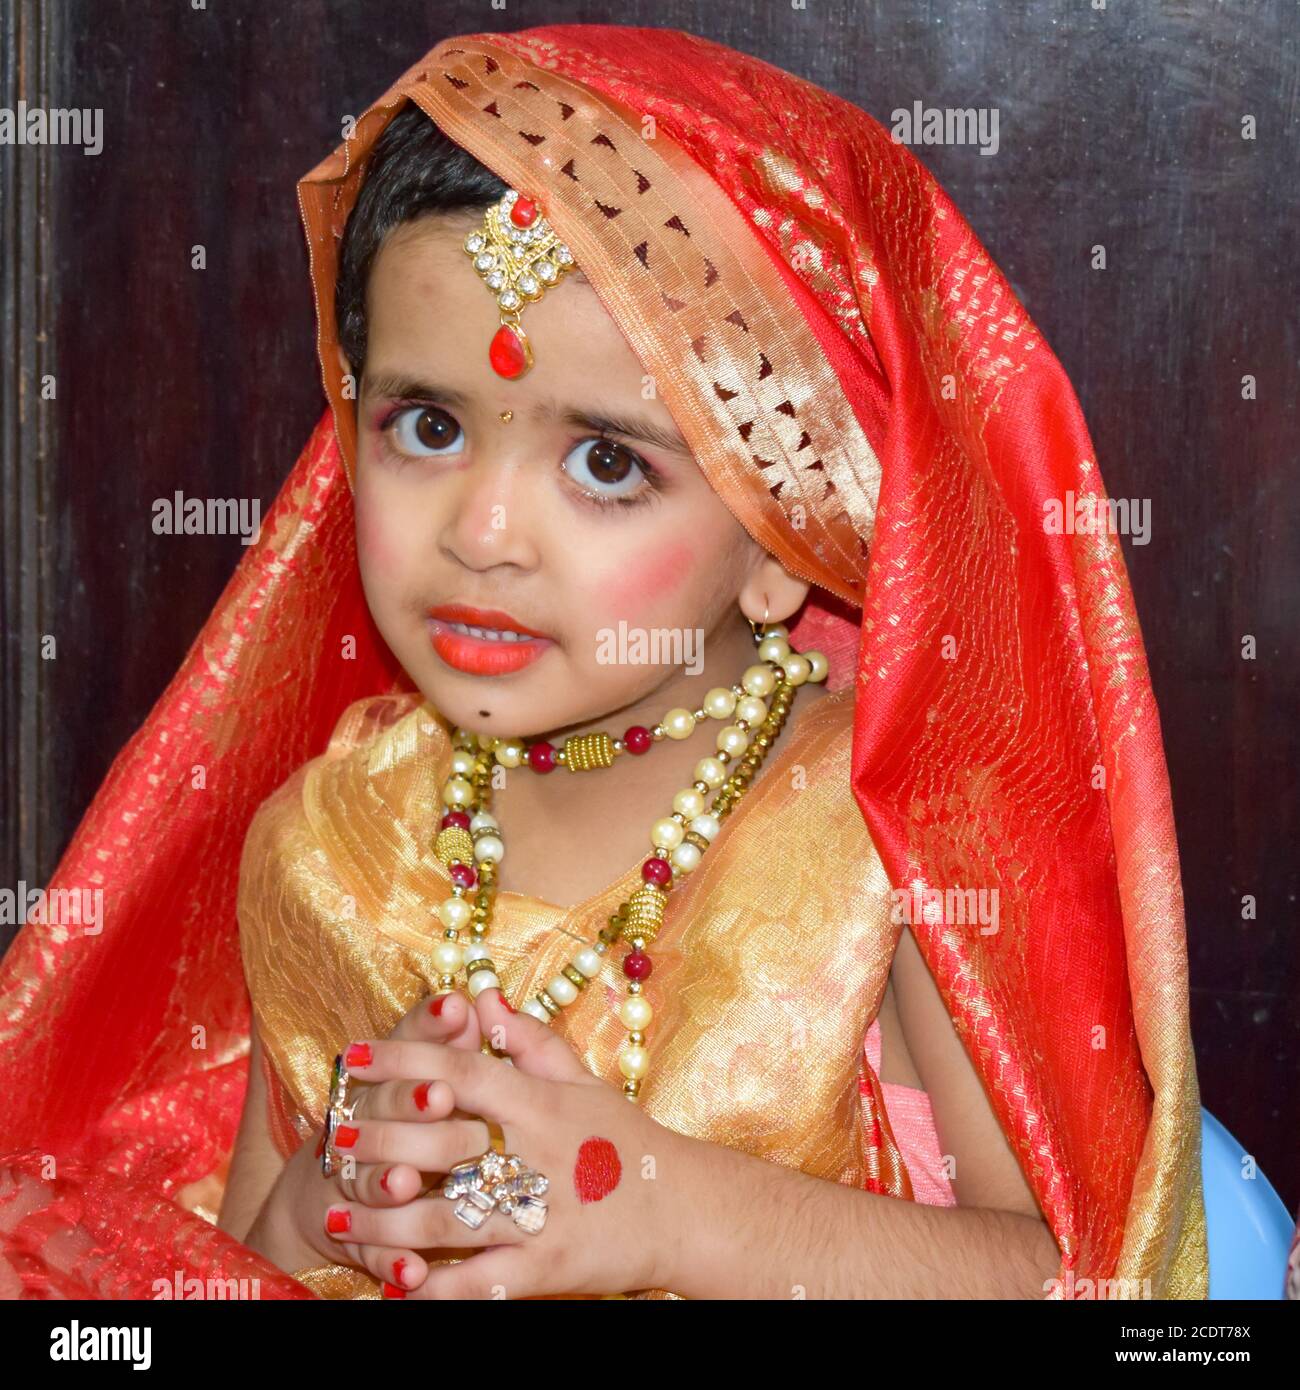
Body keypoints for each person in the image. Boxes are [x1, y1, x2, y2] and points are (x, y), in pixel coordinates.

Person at [0, 23, 1207, 1300]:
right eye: (425, 425)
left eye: (607, 463)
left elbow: (1078, 1280)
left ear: (781, 532)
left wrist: (669, 1208)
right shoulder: (329, 848)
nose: (481, 532)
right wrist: (325, 1206)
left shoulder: (874, 854)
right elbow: (232, 1265)